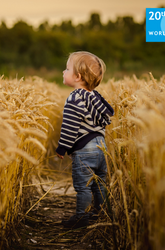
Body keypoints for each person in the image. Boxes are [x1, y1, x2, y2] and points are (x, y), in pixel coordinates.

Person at [56, 51, 114, 229]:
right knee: (99, 184)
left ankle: (81, 217)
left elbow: (70, 127)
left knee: (83, 186)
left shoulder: (74, 98)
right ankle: (101, 212)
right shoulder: (96, 97)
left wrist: (62, 148)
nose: (63, 72)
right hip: (101, 148)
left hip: (85, 150)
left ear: (77, 77)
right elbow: (106, 118)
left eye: (67, 69)